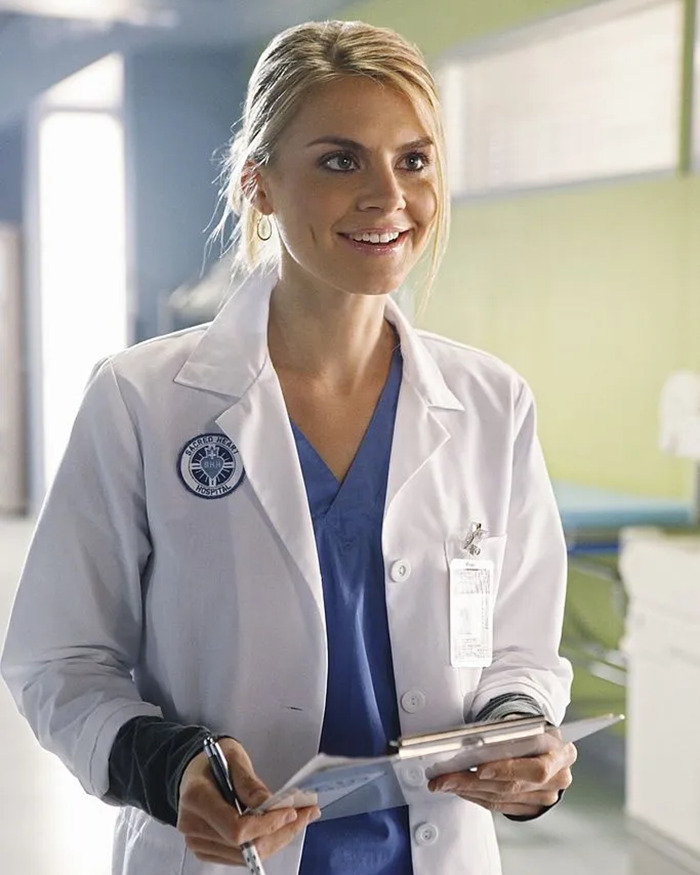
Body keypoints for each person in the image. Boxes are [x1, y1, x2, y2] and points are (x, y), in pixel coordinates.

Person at [1, 19, 575, 875]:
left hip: (435, 850)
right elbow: (58, 660)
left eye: (413, 160)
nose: (389, 196)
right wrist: (169, 765)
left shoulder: (492, 404)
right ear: (258, 184)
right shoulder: (141, 399)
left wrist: (523, 741)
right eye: (341, 160)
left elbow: (521, 648)